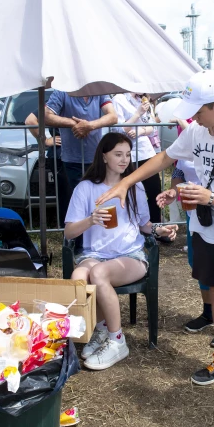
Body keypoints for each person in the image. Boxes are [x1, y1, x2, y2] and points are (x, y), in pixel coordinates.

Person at [96, 70, 214, 392]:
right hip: (208, 230)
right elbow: (166, 157)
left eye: (198, 110)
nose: (192, 116)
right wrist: (126, 182)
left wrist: (213, 197)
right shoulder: (197, 131)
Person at [65, 133, 177, 370]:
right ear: (104, 156)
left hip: (130, 255)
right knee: (78, 277)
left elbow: (144, 226)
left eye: (127, 154)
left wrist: (161, 230)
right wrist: (91, 220)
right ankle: (101, 329)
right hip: (93, 254)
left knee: (99, 274)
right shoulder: (86, 188)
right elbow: (69, 233)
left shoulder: (135, 186)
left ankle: (117, 340)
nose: (124, 160)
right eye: (118, 154)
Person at [159, 157, 214, 347]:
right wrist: (175, 189)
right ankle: (209, 313)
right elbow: (178, 172)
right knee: (199, 264)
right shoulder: (190, 139)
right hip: (195, 215)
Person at [44, 90, 117, 189]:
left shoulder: (99, 90)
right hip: (73, 160)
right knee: (78, 198)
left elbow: (113, 117)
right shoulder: (62, 91)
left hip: (96, 158)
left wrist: (89, 126)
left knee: (97, 198)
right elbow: (46, 116)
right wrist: (73, 123)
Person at [111, 93, 163, 223]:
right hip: (129, 155)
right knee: (131, 194)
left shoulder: (144, 100)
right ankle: (133, 227)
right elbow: (118, 129)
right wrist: (137, 113)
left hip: (147, 152)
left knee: (154, 191)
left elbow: (152, 126)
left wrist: (141, 131)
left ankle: (155, 227)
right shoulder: (119, 99)